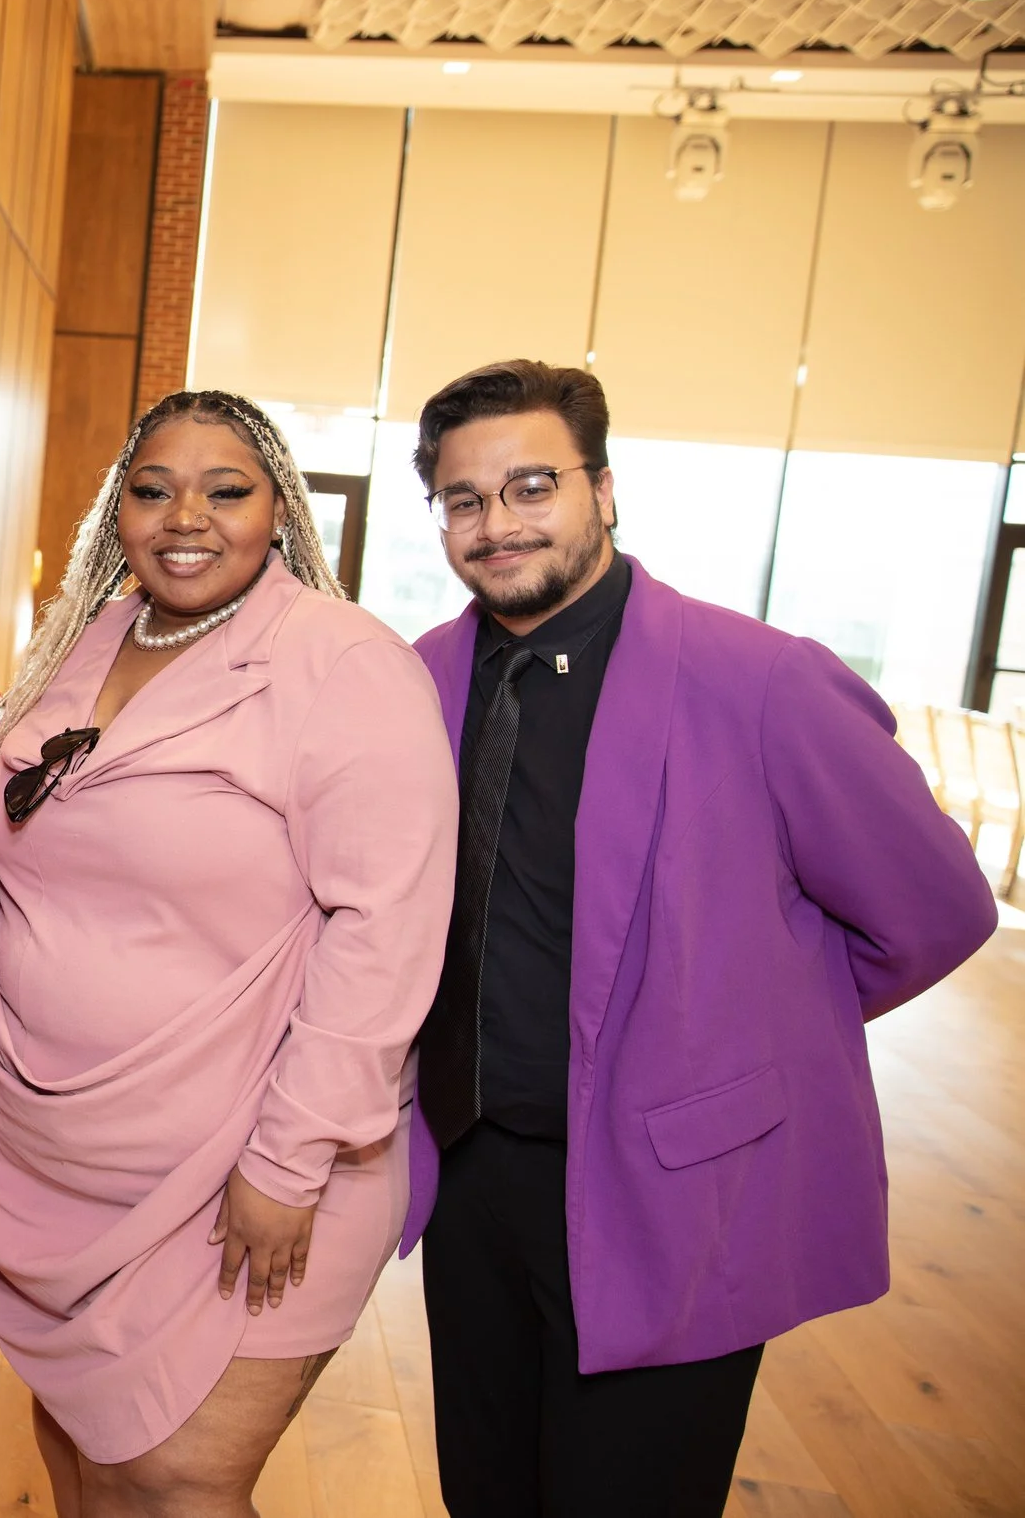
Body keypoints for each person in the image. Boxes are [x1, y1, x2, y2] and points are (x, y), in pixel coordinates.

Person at [399, 360, 996, 1517]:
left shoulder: (760, 679)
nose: (498, 522)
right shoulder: (419, 678)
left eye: (532, 484)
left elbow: (935, 909)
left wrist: (734, 1011)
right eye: (465, 499)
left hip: (671, 1185)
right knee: (484, 1493)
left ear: (603, 489)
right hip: (469, 1174)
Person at [0, 391, 457, 1517]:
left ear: (277, 509)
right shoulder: (82, 640)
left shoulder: (343, 663)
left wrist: (287, 1162)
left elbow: (383, 934)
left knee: (177, 1477)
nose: (186, 514)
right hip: (53, 1166)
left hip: (244, 1165)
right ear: (115, 511)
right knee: (83, 1458)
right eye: (151, 487)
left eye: (225, 488)